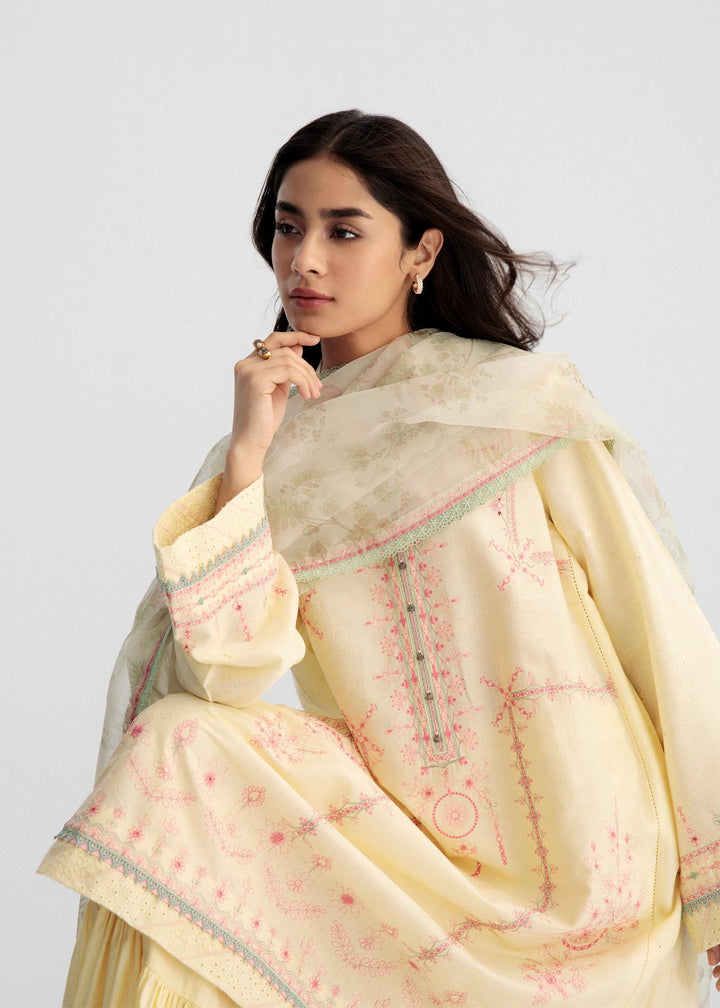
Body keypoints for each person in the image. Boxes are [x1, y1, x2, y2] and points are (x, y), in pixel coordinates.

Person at [40, 110, 720, 1008]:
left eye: (344, 231)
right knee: (180, 745)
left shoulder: (514, 405)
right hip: (402, 862)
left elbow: (663, 636)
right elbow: (220, 679)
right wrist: (248, 457)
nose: (306, 260)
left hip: (591, 859)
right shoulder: (270, 455)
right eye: (288, 227)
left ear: (421, 252)